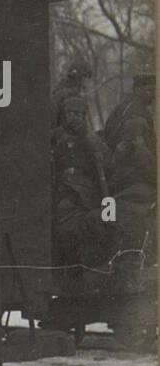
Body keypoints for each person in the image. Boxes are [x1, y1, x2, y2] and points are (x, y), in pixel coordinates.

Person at [51, 96, 112, 267]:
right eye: (69, 113)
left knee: (80, 231)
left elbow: (105, 162)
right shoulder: (56, 136)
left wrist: (86, 136)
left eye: (78, 114)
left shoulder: (91, 138)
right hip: (61, 189)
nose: (73, 117)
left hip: (84, 194)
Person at [104, 73, 156, 256]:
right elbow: (138, 152)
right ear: (137, 89)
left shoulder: (124, 107)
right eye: (149, 90)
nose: (154, 94)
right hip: (130, 179)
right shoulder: (136, 115)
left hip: (118, 175)